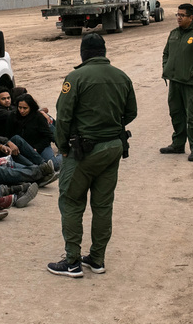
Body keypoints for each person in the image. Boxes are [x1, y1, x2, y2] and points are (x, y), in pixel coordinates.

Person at [46, 33, 136, 277]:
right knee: (103, 205)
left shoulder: (75, 77)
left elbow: (62, 116)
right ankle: (97, 258)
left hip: (82, 152)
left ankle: (72, 261)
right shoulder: (122, 77)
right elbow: (131, 113)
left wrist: (63, 146)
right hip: (113, 147)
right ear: (104, 52)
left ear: (83, 53)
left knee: (72, 202)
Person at [159, 3, 193, 161]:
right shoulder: (174, 34)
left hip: (191, 84)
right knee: (176, 114)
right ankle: (178, 144)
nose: (179, 18)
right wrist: (166, 68)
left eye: (182, 15)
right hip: (175, 82)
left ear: (191, 17)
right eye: (177, 14)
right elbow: (166, 53)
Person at [8, 93, 62, 170]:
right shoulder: (12, 116)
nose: (22, 111)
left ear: (31, 107)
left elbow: (47, 137)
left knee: (54, 165)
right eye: (20, 107)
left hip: (41, 146)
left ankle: (64, 154)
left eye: (25, 108)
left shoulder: (39, 117)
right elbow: (9, 135)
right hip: (24, 149)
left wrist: (37, 148)